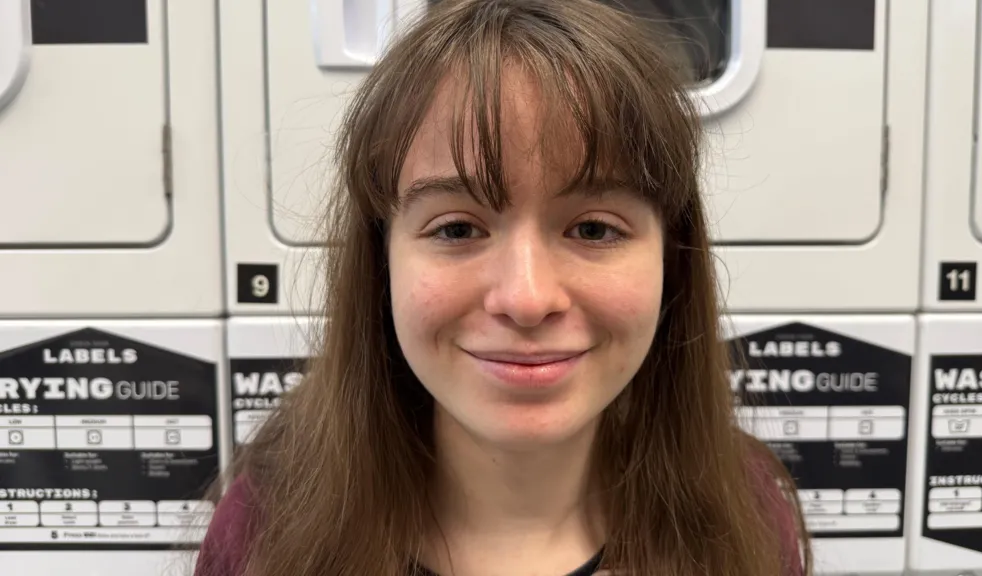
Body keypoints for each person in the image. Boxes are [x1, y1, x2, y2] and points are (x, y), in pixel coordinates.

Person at [195, 0, 810, 574]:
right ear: (381, 264)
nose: (526, 298)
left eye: (593, 229)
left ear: (672, 259)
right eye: (457, 227)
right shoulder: (267, 523)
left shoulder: (748, 511)